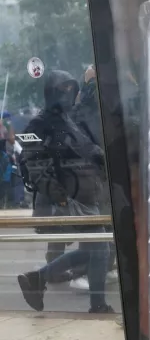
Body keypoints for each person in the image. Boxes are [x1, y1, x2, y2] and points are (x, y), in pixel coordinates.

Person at [17, 70, 112, 314]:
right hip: (67, 198)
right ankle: (97, 305)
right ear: (51, 92)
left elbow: (91, 152)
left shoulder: (71, 122)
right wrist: (59, 197)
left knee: (94, 249)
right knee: (100, 250)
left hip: (86, 195)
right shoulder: (37, 124)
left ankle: (37, 278)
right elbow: (34, 165)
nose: (67, 96)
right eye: (62, 90)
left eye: (71, 90)